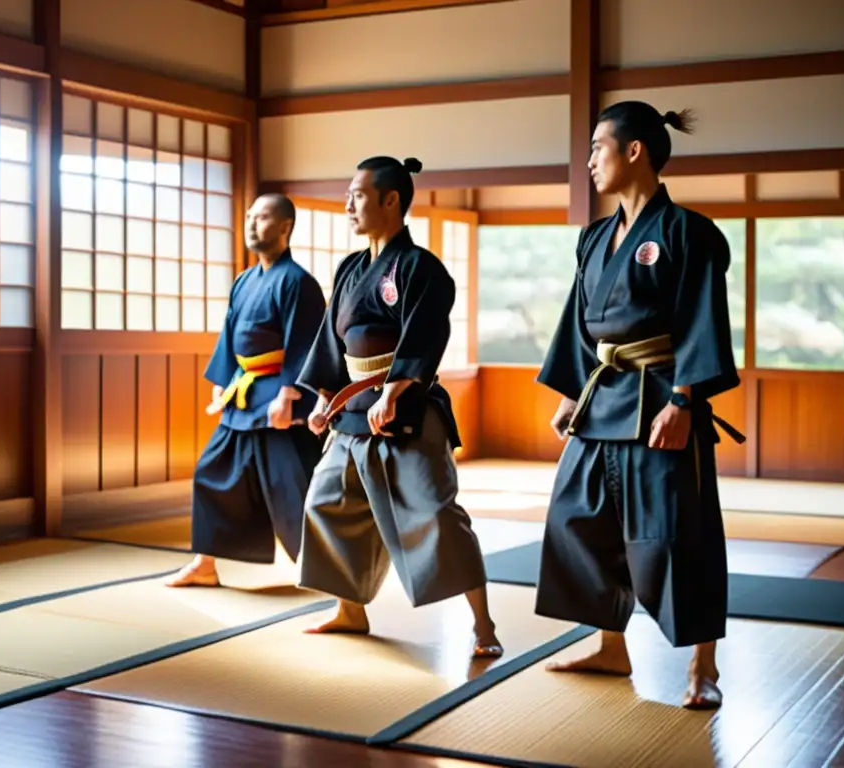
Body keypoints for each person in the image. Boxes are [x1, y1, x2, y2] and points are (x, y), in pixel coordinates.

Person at [533, 101, 745, 709]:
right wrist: (575, 392)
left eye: (598, 146)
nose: (590, 159)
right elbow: (579, 319)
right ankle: (609, 645)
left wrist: (684, 399)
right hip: (603, 399)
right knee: (581, 521)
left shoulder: (688, 232)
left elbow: (704, 320)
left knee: (679, 533)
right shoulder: (595, 237)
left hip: (662, 400)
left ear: (634, 151)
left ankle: (703, 665)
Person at [294, 155, 503, 658]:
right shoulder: (349, 269)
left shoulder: (419, 268)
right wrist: (324, 398)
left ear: (391, 200)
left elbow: (425, 333)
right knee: (326, 503)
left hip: (405, 409)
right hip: (352, 411)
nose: (348, 204)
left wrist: (392, 392)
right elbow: (331, 343)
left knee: (434, 514)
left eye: (358, 195)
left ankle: (483, 624)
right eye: (348, 194)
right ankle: (349, 611)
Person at [164, 193, 326, 588]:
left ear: (285, 226)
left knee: (294, 486)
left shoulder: (299, 282)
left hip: (278, 397)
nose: (252, 224)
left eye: (263, 217)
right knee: (212, 472)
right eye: (250, 216)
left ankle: (326, 571)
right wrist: (223, 382)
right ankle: (205, 564)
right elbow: (231, 336)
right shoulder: (244, 280)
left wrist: (288, 395)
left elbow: (305, 341)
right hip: (245, 394)